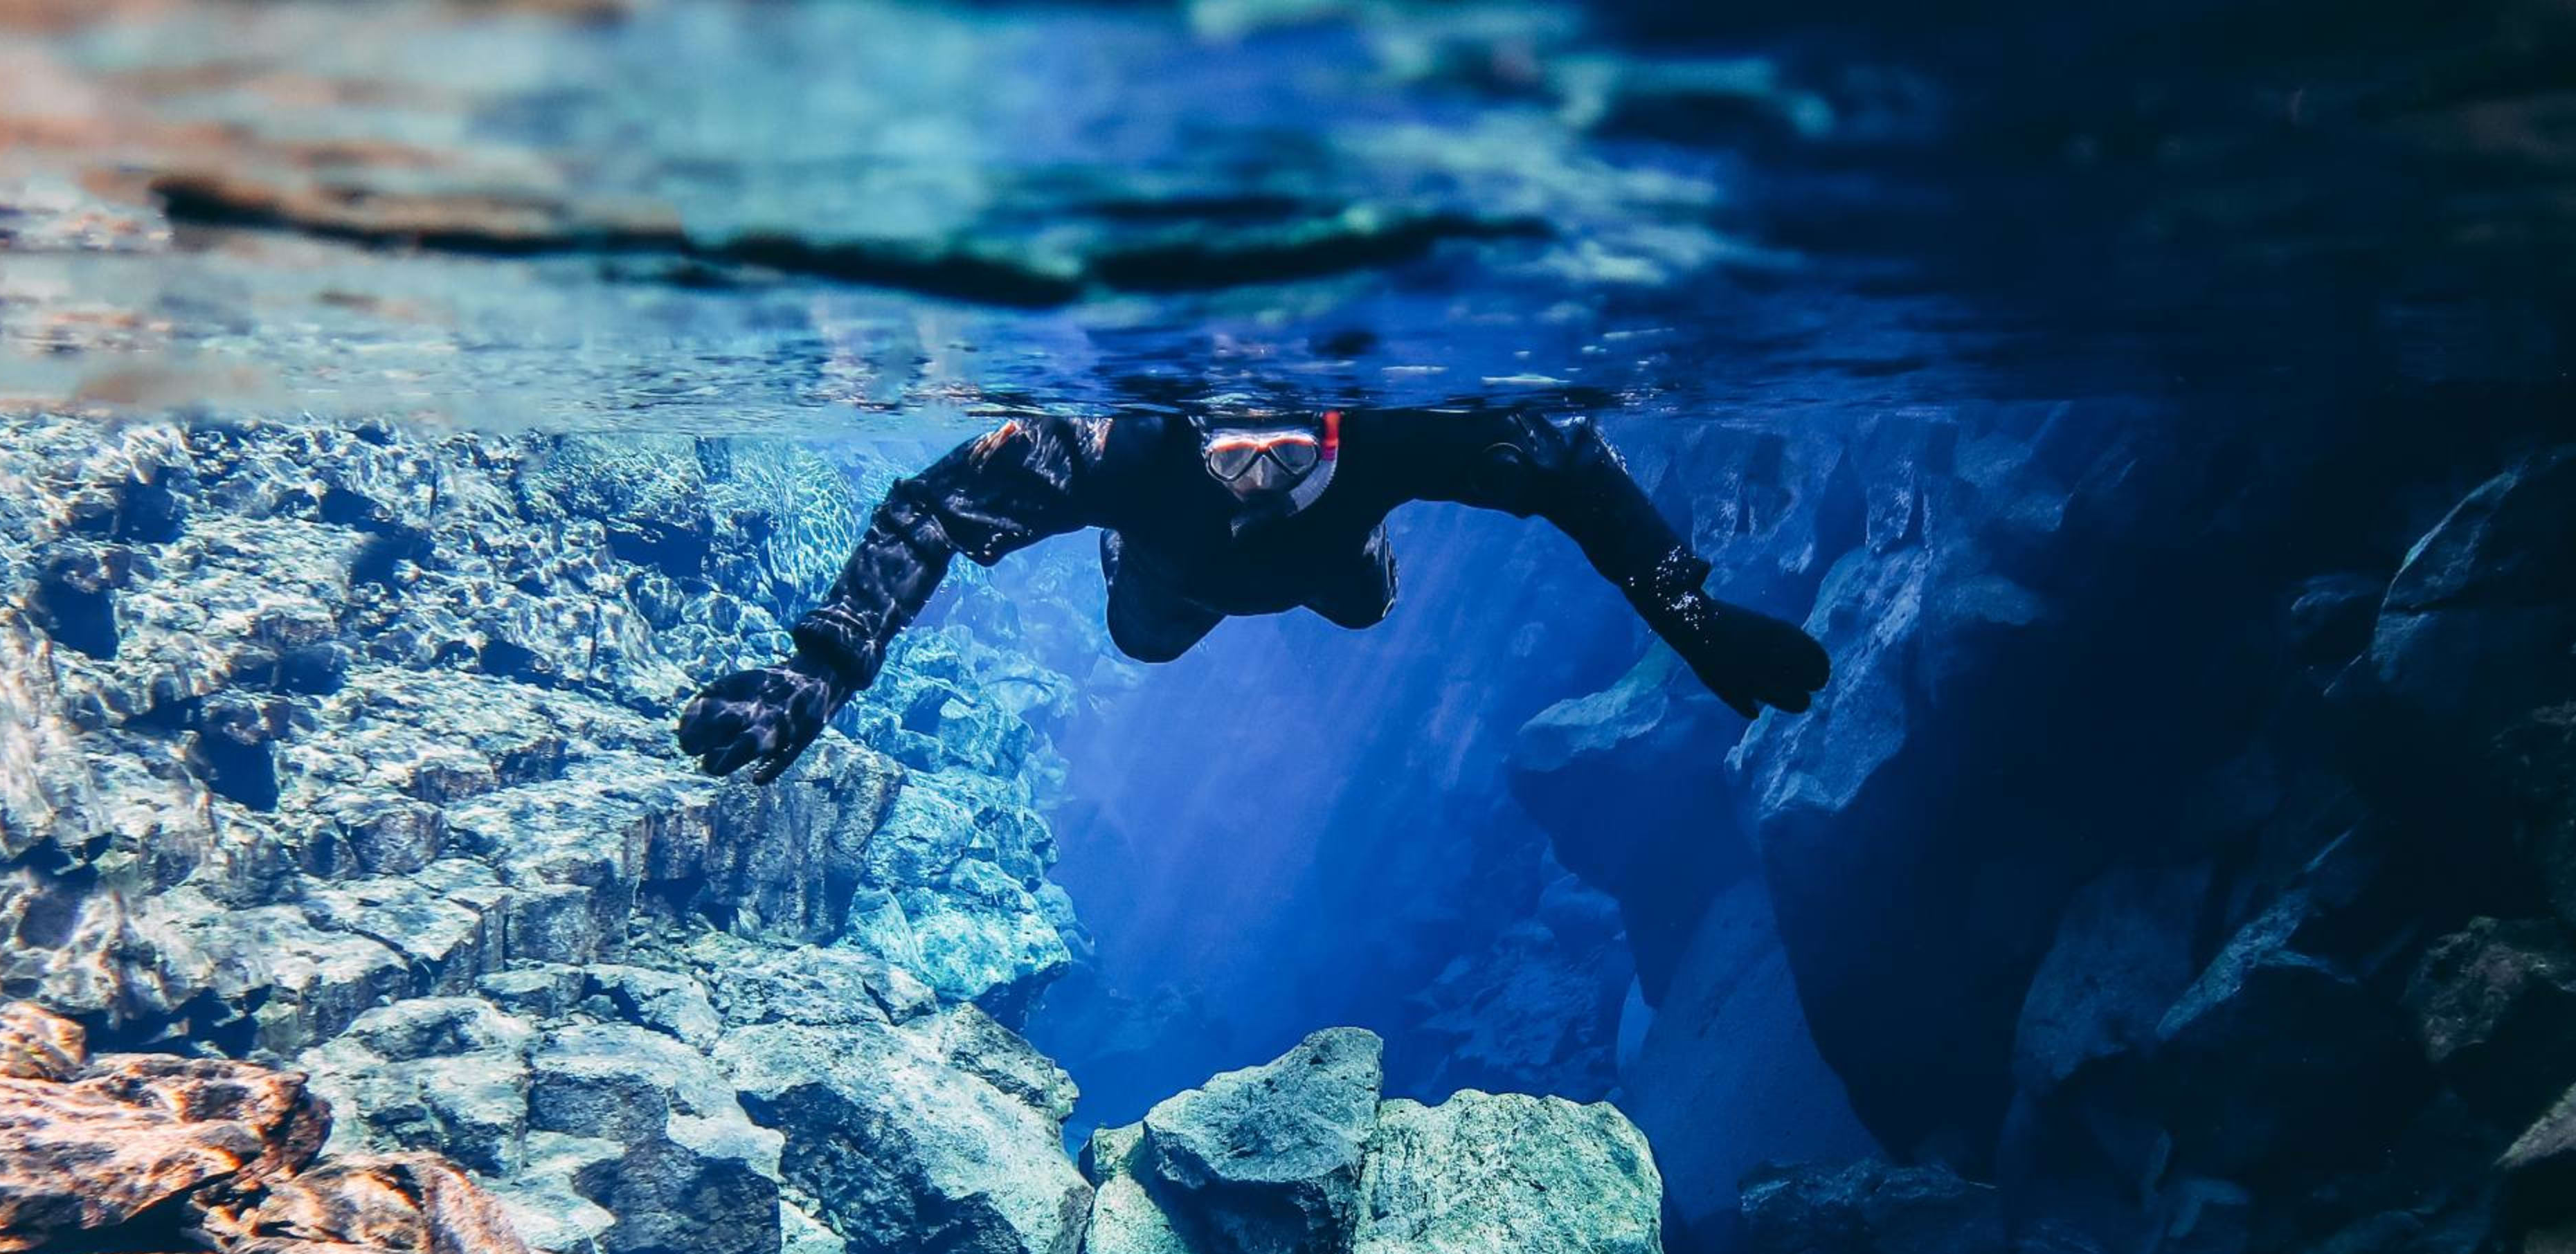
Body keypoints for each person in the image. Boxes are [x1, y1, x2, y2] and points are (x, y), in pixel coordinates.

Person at [677, 410, 1830, 783]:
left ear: (1337, 423)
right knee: (1145, 641)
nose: (1253, 480)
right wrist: (824, 668)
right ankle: (1133, 561)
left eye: (1283, 451)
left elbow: (1572, 461)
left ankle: (1352, 547)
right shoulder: (1124, 451)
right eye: (1230, 455)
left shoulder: (1396, 432)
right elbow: (932, 506)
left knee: (1367, 603)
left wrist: (1691, 613)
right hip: (1169, 579)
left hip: (1330, 564)